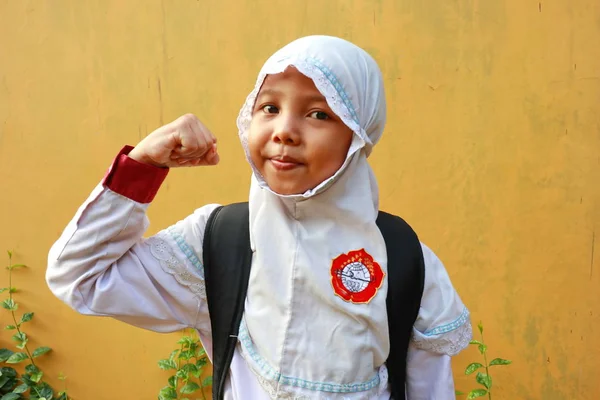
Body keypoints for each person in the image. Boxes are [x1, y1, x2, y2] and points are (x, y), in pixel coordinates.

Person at [47, 35, 472, 399]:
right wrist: (141, 167)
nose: (284, 130)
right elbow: (80, 278)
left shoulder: (402, 258)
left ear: (359, 135)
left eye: (319, 113)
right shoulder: (219, 241)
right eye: (268, 108)